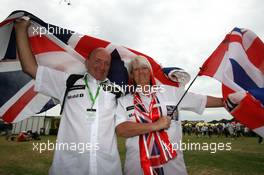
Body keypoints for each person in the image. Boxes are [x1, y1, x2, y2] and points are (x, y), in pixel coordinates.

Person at [15, 19, 171, 175]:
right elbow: (30, 68)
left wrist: (166, 75)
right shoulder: (68, 82)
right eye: (97, 61)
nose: (102, 67)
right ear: (87, 62)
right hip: (68, 168)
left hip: (107, 168)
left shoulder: (116, 91)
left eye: (106, 63)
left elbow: (143, 90)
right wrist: (20, 30)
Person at [115, 55, 224, 175]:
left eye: (144, 68)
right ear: (131, 75)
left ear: (150, 71)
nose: (140, 72)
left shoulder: (171, 92)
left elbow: (200, 100)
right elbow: (121, 129)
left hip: (173, 168)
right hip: (137, 168)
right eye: (136, 69)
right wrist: (155, 125)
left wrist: (227, 102)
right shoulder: (124, 101)